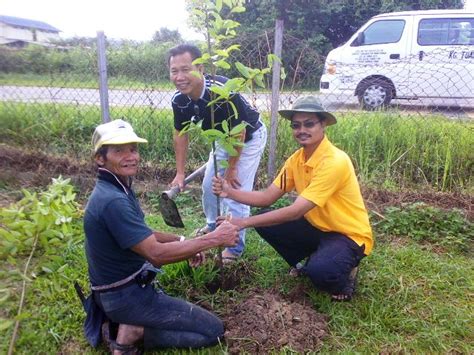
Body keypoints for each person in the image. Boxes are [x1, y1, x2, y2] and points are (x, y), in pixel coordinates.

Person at [83, 119, 239, 354]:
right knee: (213, 331)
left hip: (122, 291)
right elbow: (155, 254)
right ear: (100, 158)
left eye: (133, 149)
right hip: (125, 297)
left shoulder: (118, 187)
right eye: (118, 150)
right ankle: (131, 331)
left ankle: (128, 323)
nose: (130, 156)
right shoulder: (113, 200)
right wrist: (214, 238)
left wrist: (184, 242)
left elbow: (143, 234)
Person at [212, 96, 373, 301]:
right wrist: (229, 192)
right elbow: (267, 197)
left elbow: (296, 211)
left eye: (309, 124)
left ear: (323, 124)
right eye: (296, 125)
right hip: (318, 228)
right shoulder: (296, 159)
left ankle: (346, 277)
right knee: (266, 221)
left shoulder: (334, 161)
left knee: (322, 273)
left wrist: (242, 222)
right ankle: (310, 261)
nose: (302, 130)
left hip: (348, 235)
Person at [168, 43, 267, 263]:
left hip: (249, 138)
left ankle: (233, 246)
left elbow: (240, 132)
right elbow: (180, 134)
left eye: (186, 69)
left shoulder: (221, 93)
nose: (180, 76)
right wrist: (181, 173)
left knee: (232, 190)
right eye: (174, 71)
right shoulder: (179, 100)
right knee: (208, 186)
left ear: (200, 68)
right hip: (224, 139)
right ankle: (214, 228)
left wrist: (231, 169)